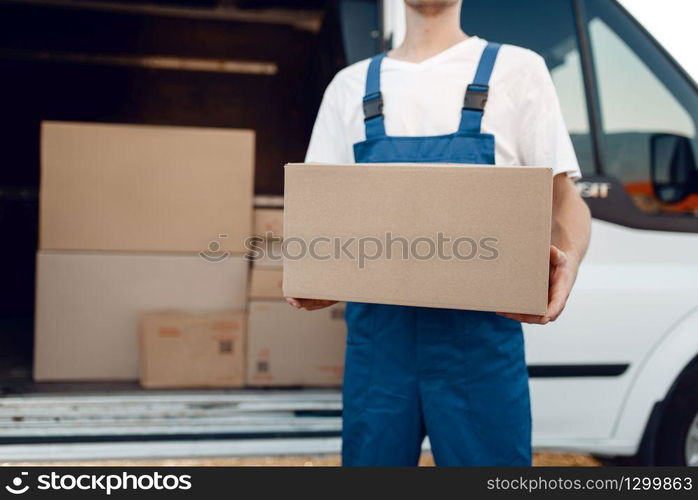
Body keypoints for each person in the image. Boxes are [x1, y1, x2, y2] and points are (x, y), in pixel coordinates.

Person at [286, 0, 591, 466]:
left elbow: (566, 199)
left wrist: (567, 262)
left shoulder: (518, 70)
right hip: (379, 353)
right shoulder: (349, 87)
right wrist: (313, 272)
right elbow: (319, 213)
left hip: (483, 346)